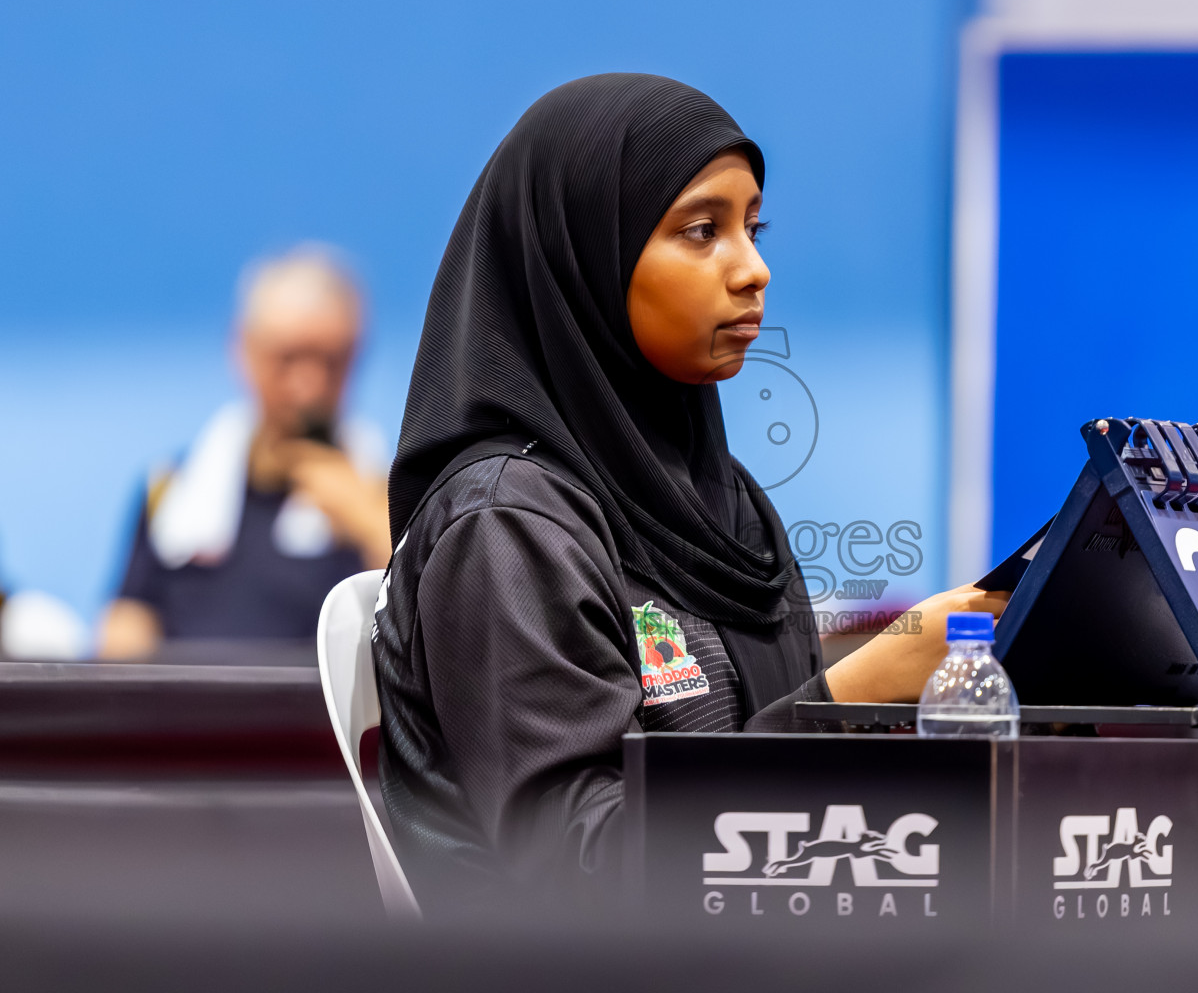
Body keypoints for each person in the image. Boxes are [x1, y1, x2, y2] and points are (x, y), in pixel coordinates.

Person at [373, 73, 1007, 909]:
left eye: (754, 227)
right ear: (584, 259)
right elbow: (581, 865)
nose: (754, 270)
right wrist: (847, 696)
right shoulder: (507, 527)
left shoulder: (726, 505)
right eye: (702, 231)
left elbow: (768, 770)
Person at [98, 248, 391, 659]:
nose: (308, 384)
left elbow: (426, 623)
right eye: (287, 359)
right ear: (245, 350)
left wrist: (368, 524)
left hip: (315, 719)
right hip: (188, 714)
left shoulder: (387, 497)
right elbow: (127, 625)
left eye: (330, 361)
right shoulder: (173, 490)